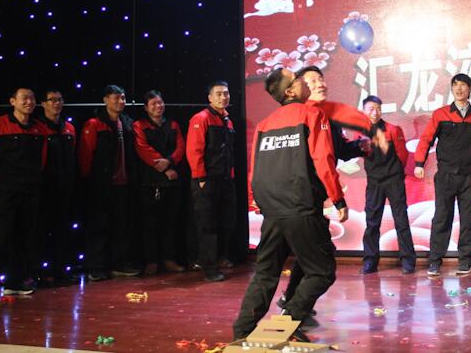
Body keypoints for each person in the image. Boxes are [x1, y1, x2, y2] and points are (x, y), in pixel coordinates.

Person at [233, 68, 347, 342]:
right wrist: (338, 199)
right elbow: (324, 160)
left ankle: (242, 331)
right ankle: (289, 321)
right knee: (321, 272)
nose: (305, 81)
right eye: (298, 78)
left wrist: (257, 201)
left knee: (266, 273)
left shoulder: (264, 124)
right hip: (301, 207)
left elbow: (255, 169)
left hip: (273, 210)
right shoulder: (312, 115)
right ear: (290, 91)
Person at [275, 65, 375, 314]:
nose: (320, 84)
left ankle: (290, 300)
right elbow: (319, 159)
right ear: (299, 88)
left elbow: (336, 150)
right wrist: (338, 199)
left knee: (311, 252)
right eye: (312, 81)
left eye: (321, 79)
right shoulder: (298, 116)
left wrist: (359, 146)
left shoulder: (327, 115)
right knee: (319, 256)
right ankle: (292, 309)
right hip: (298, 195)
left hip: (313, 195)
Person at [0, 87, 48, 302]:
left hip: (30, 190)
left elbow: (42, 159)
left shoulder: (39, 128)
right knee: (0, 237)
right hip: (6, 191)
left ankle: (15, 282)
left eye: (32, 98)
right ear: (12, 101)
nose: (29, 102)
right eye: (24, 98)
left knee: (25, 237)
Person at [414, 73, 471, 277]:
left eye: (463, 85)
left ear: (470, 89)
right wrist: (419, 163)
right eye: (455, 85)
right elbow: (426, 139)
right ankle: (435, 261)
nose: (459, 89)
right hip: (446, 175)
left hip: (469, 176)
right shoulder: (441, 114)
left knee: (468, 219)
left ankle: (465, 262)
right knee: (442, 217)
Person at [78, 84, 140, 281]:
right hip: (101, 183)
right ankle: (96, 267)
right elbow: (86, 155)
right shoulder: (94, 123)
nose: (120, 101)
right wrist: (88, 180)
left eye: (123, 98)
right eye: (116, 98)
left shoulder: (128, 122)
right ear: (105, 100)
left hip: (124, 183)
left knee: (121, 225)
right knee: (99, 226)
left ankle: (119, 264)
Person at [359, 95, 416, 275]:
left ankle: (408, 261)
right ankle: (370, 261)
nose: (375, 112)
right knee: (372, 222)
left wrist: (395, 173)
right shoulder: (360, 132)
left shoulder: (392, 129)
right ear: (363, 111)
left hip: (393, 181)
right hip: (374, 182)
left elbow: (403, 155)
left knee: (401, 220)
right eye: (371, 109)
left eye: (378, 108)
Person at [186, 80, 236, 282]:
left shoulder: (227, 120)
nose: (223, 97)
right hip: (207, 180)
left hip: (225, 180)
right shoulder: (201, 118)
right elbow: (194, 150)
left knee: (227, 221)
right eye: (219, 94)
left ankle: (216, 259)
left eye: (226, 93)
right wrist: (201, 178)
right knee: (207, 225)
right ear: (210, 97)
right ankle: (209, 268)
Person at [132, 90, 186, 275]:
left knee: (170, 223)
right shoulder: (139, 126)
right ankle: (151, 261)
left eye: (160, 102)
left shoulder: (173, 124)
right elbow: (143, 149)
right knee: (150, 224)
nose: (158, 106)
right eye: (154, 103)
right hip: (150, 181)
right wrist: (164, 168)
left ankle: (169, 259)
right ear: (146, 107)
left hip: (172, 181)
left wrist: (169, 162)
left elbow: (180, 147)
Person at [38, 88, 79, 286]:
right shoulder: (38, 128)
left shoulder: (69, 128)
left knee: (63, 230)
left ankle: (62, 270)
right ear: (43, 104)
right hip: (45, 187)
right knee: (43, 231)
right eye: (52, 100)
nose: (56, 103)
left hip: (66, 187)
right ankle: (43, 272)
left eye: (59, 100)